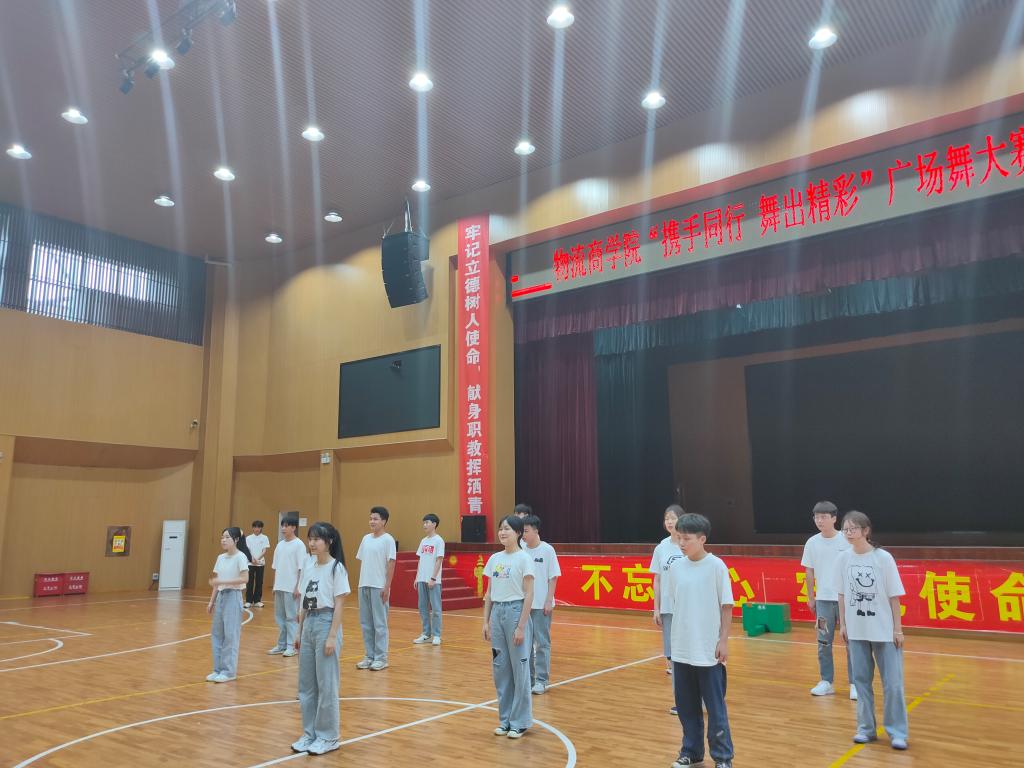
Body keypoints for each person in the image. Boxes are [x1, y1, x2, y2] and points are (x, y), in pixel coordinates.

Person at [836, 510, 908, 751]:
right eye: (846, 529)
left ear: (866, 531)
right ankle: (865, 728)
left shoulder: (883, 558)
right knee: (861, 682)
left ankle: (897, 732)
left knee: (893, 684)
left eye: (853, 528)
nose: (849, 533)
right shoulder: (843, 559)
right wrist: (843, 624)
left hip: (884, 632)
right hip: (856, 631)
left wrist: (897, 629)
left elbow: (894, 596)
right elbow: (842, 594)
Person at [668, 513, 735, 768]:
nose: (682, 543)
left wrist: (723, 640)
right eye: (679, 538)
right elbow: (677, 604)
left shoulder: (716, 566)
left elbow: (726, 606)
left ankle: (723, 757)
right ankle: (691, 752)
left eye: (687, 539)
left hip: (708, 649)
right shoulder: (676, 568)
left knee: (715, 708)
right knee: (686, 706)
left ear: (702, 539)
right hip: (682, 648)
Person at [291, 522, 351, 757]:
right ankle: (310, 733)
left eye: (317, 539)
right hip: (308, 624)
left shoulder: (337, 568)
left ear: (329, 541)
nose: (312, 543)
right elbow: (304, 602)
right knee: (306, 685)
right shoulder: (308, 564)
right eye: (310, 539)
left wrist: (332, 636)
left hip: (327, 622)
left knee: (327, 685)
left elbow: (339, 605)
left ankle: (329, 736)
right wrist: (299, 631)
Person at [482, 515, 535, 739]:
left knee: (519, 670)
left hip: (516, 612)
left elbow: (529, 594)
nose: (502, 532)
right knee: (501, 669)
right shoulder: (495, 558)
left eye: (507, 529)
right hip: (497, 613)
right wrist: (486, 621)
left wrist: (521, 626)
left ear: (518, 533)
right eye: (501, 529)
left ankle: (520, 722)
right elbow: (489, 593)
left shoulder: (524, 559)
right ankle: (504, 720)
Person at [802, 500, 855, 699]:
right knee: (823, 641)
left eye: (824, 517)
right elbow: (809, 571)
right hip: (823, 601)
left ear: (834, 518)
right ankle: (826, 681)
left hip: (846, 601)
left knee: (851, 641)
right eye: (816, 517)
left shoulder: (846, 540)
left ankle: (855, 683)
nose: (819, 521)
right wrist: (811, 597)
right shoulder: (812, 542)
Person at [206, 526, 251, 683]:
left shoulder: (241, 557)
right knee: (217, 634)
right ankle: (217, 669)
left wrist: (223, 581)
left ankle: (229, 671)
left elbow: (245, 578)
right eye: (222, 537)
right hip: (221, 597)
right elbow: (217, 582)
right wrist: (212, 601)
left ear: (236, 540)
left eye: (227, 537)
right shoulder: (221, 557)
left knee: (230, 635)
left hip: (233, 596)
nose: (223, 540)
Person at [521, 514, 560, 695]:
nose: (523, 535)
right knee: (526, 644)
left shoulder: (547, 550)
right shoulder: (521, 550)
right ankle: (529, 679)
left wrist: (548, 600)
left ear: (536, 531)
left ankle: (542, 680)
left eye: (526, 531)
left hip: (541, 605)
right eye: (522, 531)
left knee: (542, 643)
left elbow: (553, 577)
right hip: (524, 605)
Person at [356, 506, 397, 670]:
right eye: (371, 518)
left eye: (376, 519)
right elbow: (363, 561)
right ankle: (369, 656)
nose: (372, 521)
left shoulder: (388, 540)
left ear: (384, 521)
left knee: (379, 624)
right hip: (363, 585)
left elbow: (391, 564)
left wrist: (387, 586)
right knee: (366, 623)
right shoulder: (365, 539)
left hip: (379, 587)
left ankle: (381, 658)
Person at [651, 505, 685, 679]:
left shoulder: (688, 543)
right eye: (666, 518)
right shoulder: (661, 547)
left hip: (686, 602)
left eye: (673, 518)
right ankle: (671, 664)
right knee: (669, 638)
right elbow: (657, 580)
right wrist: (656, 608)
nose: (669, 522)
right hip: (667, 602)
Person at [269, 515, 307, 658]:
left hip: (291, 588)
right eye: (282, 526)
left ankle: (292, 646)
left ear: (294, 527)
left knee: (291, 617)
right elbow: (276, 567)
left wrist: (298, 587)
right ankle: (282, 644)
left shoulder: (299, 545)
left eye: (286, 526)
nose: (283, 528)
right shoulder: (280, 545)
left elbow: (302, 568)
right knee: (280, 617)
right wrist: (275, 585)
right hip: (280, 586)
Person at [413, 513, 445, 646]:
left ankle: (437, 635)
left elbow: (439, 560)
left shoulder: (439, 540)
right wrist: (417, 577)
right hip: (422, 579)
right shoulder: (423, 541)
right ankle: (426, 633)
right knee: (422, 607)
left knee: (436, 608)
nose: (424, 525)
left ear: (434, 524)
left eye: (427, 522)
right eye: (424, 522)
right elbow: (420, 560)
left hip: (433, 581)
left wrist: (433, 578)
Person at [245, 520, 270, 608]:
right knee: (249, 582)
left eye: (259, 527)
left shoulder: (265, 538)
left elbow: (264, 550)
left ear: (261, 528)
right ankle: (248, 601)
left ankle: (257, 601)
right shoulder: (248, 538)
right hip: (250, 563)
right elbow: (247, 550)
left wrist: (257, 559)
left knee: (259, 582)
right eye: (255, 527)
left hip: (260, 563)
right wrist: (252, 559)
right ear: (252, 528)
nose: (257, 529)